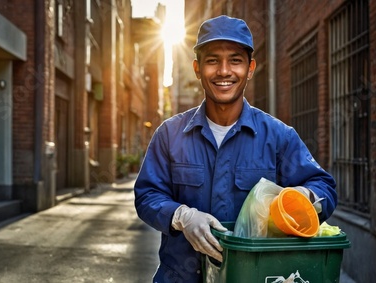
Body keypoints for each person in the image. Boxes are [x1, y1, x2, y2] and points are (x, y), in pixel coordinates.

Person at [134, 15, 337, 283]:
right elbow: (147, 195)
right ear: (197, 69)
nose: (224, 71)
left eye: (235, 60)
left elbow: (324, 187)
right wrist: (181, 216)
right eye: (212, 60)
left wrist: (303, 196)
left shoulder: (278, 137)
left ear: (250, 68)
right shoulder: (170, 135)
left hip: (254, 276)